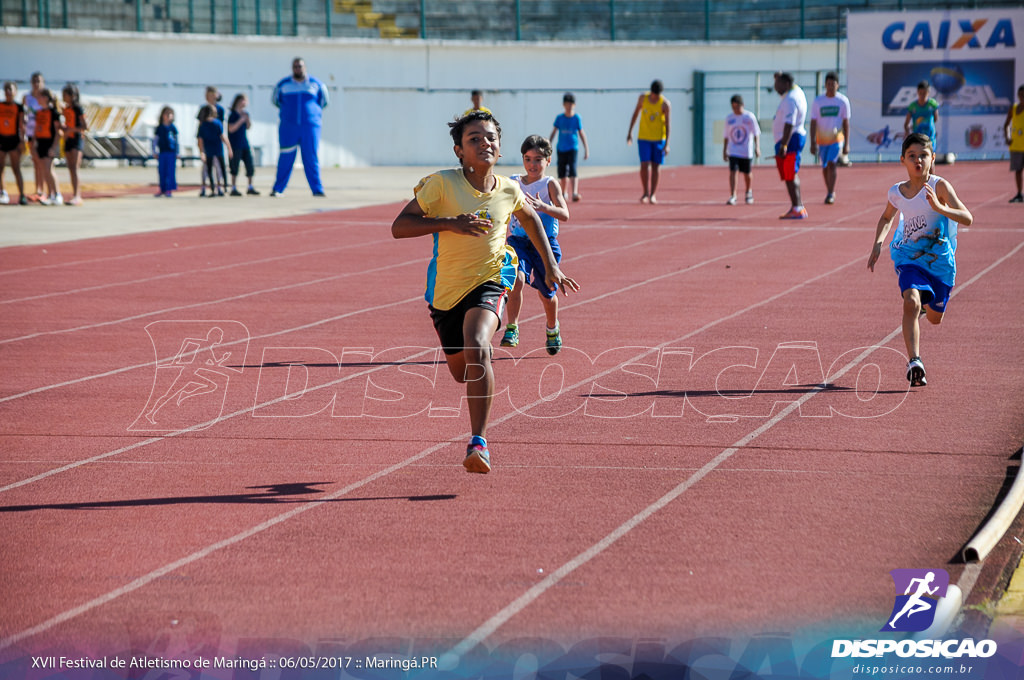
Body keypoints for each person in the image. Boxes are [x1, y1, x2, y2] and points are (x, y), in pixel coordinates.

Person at [391, 111, 579, 474]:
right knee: (462, 372)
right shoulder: (442, 186)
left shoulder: (509, 189)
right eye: (474, 138)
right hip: (446, 293)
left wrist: (551, 265)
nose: (484, 143)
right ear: (459, 151)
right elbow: (399, 227)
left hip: (491, 280)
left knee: (479, 344)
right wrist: (450, 223)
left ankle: (479, 442)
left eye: (490, 137)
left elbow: (531, 218)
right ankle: (475, 396)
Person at [867, 133, 973, 387]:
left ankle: (928, 305)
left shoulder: (940, 187)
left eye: (923, 155)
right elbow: (886, 217)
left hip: (939, 263)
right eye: (912, 156)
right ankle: (915, 361)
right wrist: (878, 243)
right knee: (911, 301)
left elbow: (967, 217)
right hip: (909, 258)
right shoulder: (897, 192)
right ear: (903, 160)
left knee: (935, 318)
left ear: (932, 158)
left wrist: (940, 208)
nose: (918, 160)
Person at [501, 135, 570, 354]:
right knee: (516, 279)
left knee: (547, 293)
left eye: (538, 159)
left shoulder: (549, 184)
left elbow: (565, 214)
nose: (532, 165)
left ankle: (552, 328)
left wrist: (543, 206)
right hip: (518, 241)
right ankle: (512, 327)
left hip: (544, 244)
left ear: (548, 160)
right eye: (528, 159)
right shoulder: (513, 181)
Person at [271, 57, 329, 197]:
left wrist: (309, 115)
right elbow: (276, 101)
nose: (298, 69)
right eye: (295, 66)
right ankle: (278, 189)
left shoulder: (316, 84)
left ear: (305, 67)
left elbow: (324, 101)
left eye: (300, 66)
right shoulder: (283, 85)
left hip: (310, 127)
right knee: (286, 157)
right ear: (292, 68)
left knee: (311, 157)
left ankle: (317, 189)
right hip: (288, 127)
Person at [809, 71, 850, 205]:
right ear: (825, 85)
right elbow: (813, 122)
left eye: (833, 84)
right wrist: (812, 142)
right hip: (822, 140)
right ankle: (829, 189)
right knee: (825, 166)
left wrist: (846, 144)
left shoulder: (842, 101)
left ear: (838, 85)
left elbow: (846, 123)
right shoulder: (818, 101)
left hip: (836, 138)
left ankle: (830, 193)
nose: (831, 87)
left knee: (832, 164)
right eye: (828, 84)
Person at [627, 79, 670, 204]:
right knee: (644, 165)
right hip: (644, 138)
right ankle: (645, 192)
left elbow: (668, 125)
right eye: (653, 94)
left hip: (658, 138)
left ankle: (653, 194)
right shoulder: (643, 98)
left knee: (656, 166)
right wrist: (630, 132)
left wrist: (667, 144)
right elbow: (635, 114)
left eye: (657, 95)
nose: (655, 97)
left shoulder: (665, 104)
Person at [773, 71, 808, 219]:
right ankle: (796, 206)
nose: (775, 88)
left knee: (790, 174)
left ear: (786, 84)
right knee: (789, 174)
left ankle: (798, 207)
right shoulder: (796, 91)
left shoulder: (790, 99)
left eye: (778, 84)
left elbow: (789, 123)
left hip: (790, 139)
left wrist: (784, 145)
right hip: (790, 138)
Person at [550, 92, 589, 202]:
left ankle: (575, 192)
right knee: (562, 171)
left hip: (573, 147)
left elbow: (581, 133)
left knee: (572, 169)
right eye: (567, 104)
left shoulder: (577, 118)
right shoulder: (559, 118)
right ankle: (564, 192)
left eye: (571, 104)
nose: (569, 106)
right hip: (561, 147)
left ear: (574, 105)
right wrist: (548, 144)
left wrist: (586, 149)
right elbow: (554, 132)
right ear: (564, 105)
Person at [723, 94, 760, 205]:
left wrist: (757, 147)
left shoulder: (749, 117)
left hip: (746, 151)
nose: (736, 110)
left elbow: (756, 133)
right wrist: (724, 150)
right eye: (733, 107)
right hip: (733, 150)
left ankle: (748, 191)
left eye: (737, 107)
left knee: (747, 173)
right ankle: (733, 195)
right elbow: (726, 135)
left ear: (742, 105)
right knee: (733, 171)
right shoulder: (729, 118)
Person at [31, 88, 61, 206]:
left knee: (49, 170)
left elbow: (58, 132)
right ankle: (50, 194)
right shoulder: (39, 112)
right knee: (44, 170)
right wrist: (34, 142)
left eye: (39, 96)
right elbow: (37, 129)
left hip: (49, 143)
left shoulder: (53, 113)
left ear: (45, 98)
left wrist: (53, 147)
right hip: (41, 143)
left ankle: (57, 194)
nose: (37, 99)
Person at [0, 81, 27, 205]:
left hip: (14, 140)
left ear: (15, 92)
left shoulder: (19, 107)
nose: (8, 92)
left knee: (16, 168)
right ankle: (3, 192)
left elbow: (22, 125)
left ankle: (22, 194)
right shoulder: (1, 105)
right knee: (1, 168)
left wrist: (22, 141)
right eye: (6, 90)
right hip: (2, 139)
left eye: (11, 90)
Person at [196, 104, 231, 197]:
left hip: (216, 150)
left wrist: (229, 147)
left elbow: (222, 136)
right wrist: (202, 152)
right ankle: (215, 188)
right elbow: (200, 140)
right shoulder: (204, 125)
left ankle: (220, 187)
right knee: (212, 170)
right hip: (210, 151)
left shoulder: (215, 123)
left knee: (219, 169)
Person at [61, 83, 87, 206]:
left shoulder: (78, 109)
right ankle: (74, 194)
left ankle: (78, 195)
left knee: (75, 168)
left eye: (65, 94)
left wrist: (71, 129)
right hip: (68, 140)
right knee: (70, 168)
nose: (63, 97)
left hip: (76, 139)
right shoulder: (65, 109)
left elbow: (84, 126)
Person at [227, 93, 258, 196]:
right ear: (239, 101)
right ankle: (233, 187)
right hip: (235, 145)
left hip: (245, 144)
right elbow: (231, 129)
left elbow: (248, 127)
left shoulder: (245, 114)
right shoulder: (233, 115)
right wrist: (241, 120)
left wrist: (247, 119)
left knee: (250, 166)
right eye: (244, 100)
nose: (246, 102)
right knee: (234, 167)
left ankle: (250, 187)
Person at [23, 72, 46, 201]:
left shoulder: (47, 97)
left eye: (39, 81)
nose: (36, 84)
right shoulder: (27, 98)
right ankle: (38, 190)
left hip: (43, 134)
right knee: (36, 161)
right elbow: (24, 115)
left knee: (45, 163)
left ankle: (47, 191)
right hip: (31, 133)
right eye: (34, 81)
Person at [1004, 84, 1024, 203]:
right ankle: (1019, 193)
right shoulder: (1014, 108)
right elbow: (1006, 124)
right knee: (1018, 170)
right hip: (1016, 145)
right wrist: (1008, 136)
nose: (1022, 97)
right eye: (1020, 95)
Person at [153, 105, 179, 197]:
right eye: (167, 114)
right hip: (162, 152)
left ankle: (169, 189)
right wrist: (154, 151)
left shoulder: (173, 128)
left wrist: (177, 152)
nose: (168, 116)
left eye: (170, 114)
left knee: (170, 171)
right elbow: (155, 140)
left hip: (171, 153)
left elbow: (176, 141)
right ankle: (162, 189)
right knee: (162, 171)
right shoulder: (159, 128)